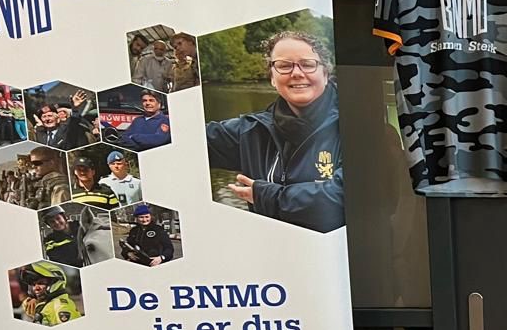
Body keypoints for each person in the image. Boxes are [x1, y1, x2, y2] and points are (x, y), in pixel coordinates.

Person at [204, 30, 345, 232]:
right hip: (272, 253)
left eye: (307, 64)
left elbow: (344, 198)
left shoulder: (360, 124)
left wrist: (264, 196)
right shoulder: (252, 130)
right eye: (284, 66)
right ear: (272, 77)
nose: (296, 73)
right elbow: (186, 141)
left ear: (325, 73)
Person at [106, 89, 171, 151]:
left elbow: (158, 140)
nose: (147, 103)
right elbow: (123, 139)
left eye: (151, 100)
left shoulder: (165, 121)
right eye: (144, 100)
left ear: (159, 104)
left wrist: (134, 137)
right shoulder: (137, 120)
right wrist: (141, 145)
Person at [29, 89, 94, 149]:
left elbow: (73, 124)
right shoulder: (40, 133)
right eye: (44, 116)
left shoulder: (70, 129)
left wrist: (74, 108)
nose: (47, 119)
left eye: (50, 115)